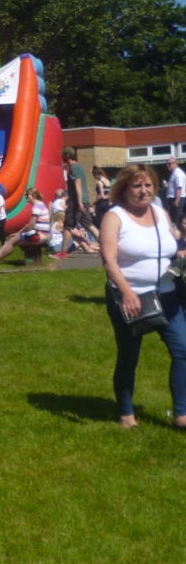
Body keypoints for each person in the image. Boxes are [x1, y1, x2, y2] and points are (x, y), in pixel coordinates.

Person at [100, 164, 186, 429]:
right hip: (131, 298)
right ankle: (126, 413)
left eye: (148, 185)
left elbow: (171, 243)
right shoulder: (115, 217)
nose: (143, 191)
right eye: (136, 186)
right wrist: (127, 292)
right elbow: (109, 260)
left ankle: (182, 413)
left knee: (183, 350)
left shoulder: (160, 212)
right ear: (124, 189)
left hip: (168, 295)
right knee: (129, 355)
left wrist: (181, 249)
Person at [0, 188, 51, 263]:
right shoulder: (41, 204)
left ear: (33, 196)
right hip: (44, 234)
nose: (26, 196)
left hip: (40, 235)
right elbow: (31, 225)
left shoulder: (36, 207)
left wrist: (19, 233)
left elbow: (31, 225)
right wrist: (19, 233)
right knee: (15, 238)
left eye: (27, 195)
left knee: (12, 240)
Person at [59, 147, 90, 260]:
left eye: (63, 155)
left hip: (77, 202)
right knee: (90, 226)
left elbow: (78, 184)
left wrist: (79, 202)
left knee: (68, 226)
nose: (62, 157)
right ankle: (106, 247)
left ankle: (63, 252)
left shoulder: (74, 168)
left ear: (67, 156)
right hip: (81, 200)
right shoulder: (80, 167)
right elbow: (85, 186)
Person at [166, 158, 186, 225]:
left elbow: (179, 187)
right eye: (167, 164)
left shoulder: (178, 173)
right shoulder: (174, 173)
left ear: (176, 163)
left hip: (177, 199)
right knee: (174, 218)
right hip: (174, 199)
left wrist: (177, 201)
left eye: (169, 164)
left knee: (177, 219)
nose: (167, 165)